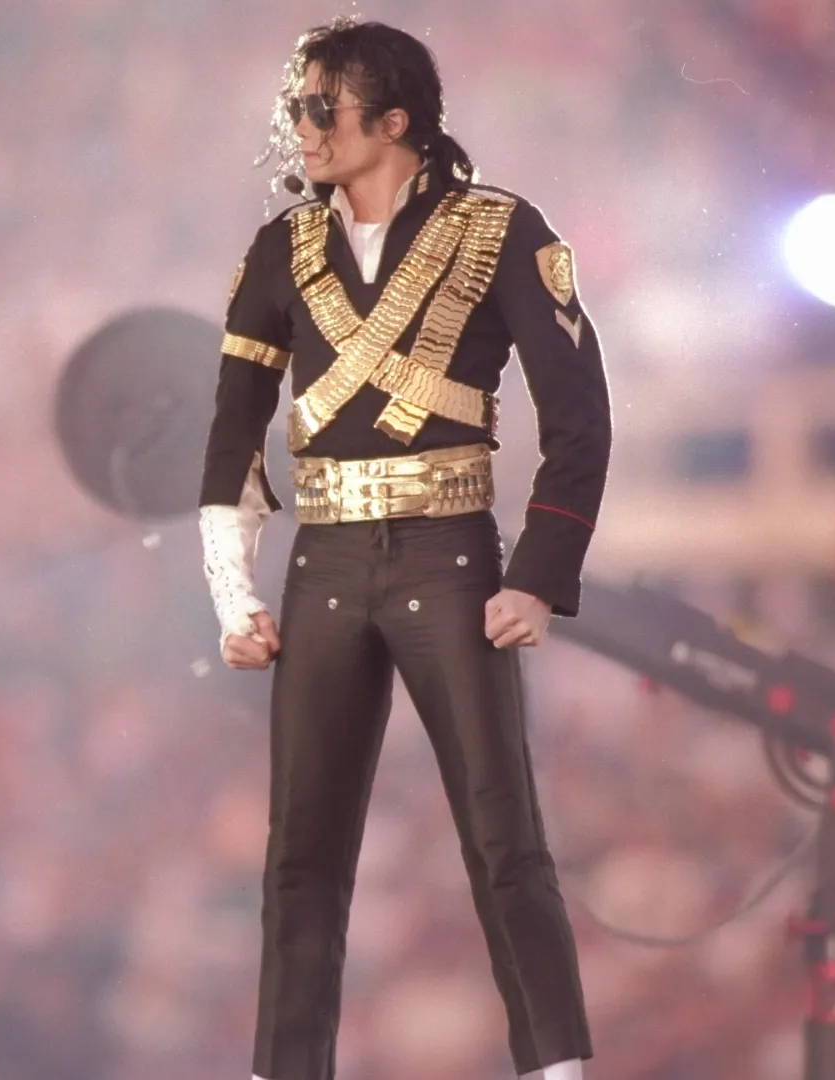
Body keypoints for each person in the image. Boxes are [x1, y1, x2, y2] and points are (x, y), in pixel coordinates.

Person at [196, 18, 613, 1080]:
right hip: (325, 563)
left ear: (395, 121)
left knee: (503, 839)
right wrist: (231, 593)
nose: (301, 129)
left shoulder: (501, 229)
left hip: (450, 558)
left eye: (320, 108)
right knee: (300, 859)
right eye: (298, 107)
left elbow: (579, 416)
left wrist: (539, 577)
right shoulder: (279, 248)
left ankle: (559, 1069)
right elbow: (235, 433)